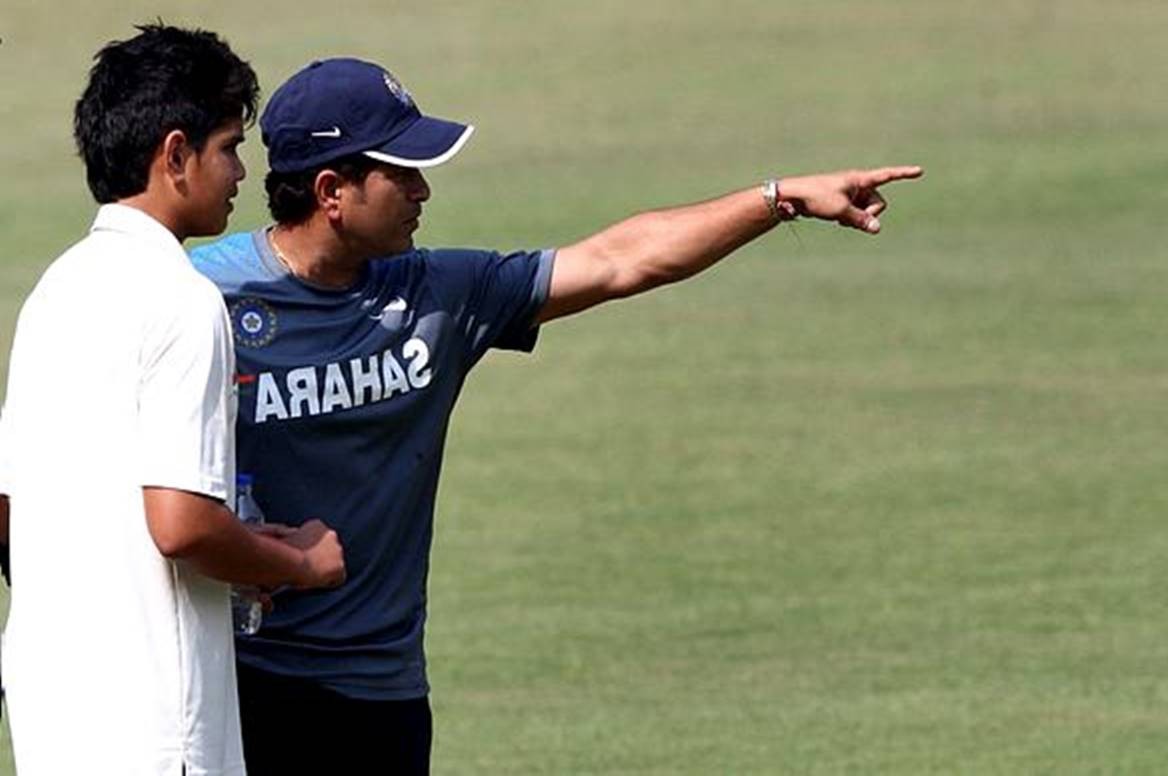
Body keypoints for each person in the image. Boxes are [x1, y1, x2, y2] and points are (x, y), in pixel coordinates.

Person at [190, 56, 922, 774]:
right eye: (401, 172)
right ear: (331, 190)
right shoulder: (201, 298)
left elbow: (621, 260)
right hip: (234, 680)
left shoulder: (440, 293)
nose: (423, 190)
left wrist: (778, 197)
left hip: (380, 691)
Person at [0, 26, 346, 776]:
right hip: (157, 730)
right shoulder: (182, 301)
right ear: (176, 154)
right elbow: (182, 524)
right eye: (229, 147)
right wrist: (297, 561)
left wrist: (236, 548)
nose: (241, 172)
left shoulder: (55, 291)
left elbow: (13, 509)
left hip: (53, 713)